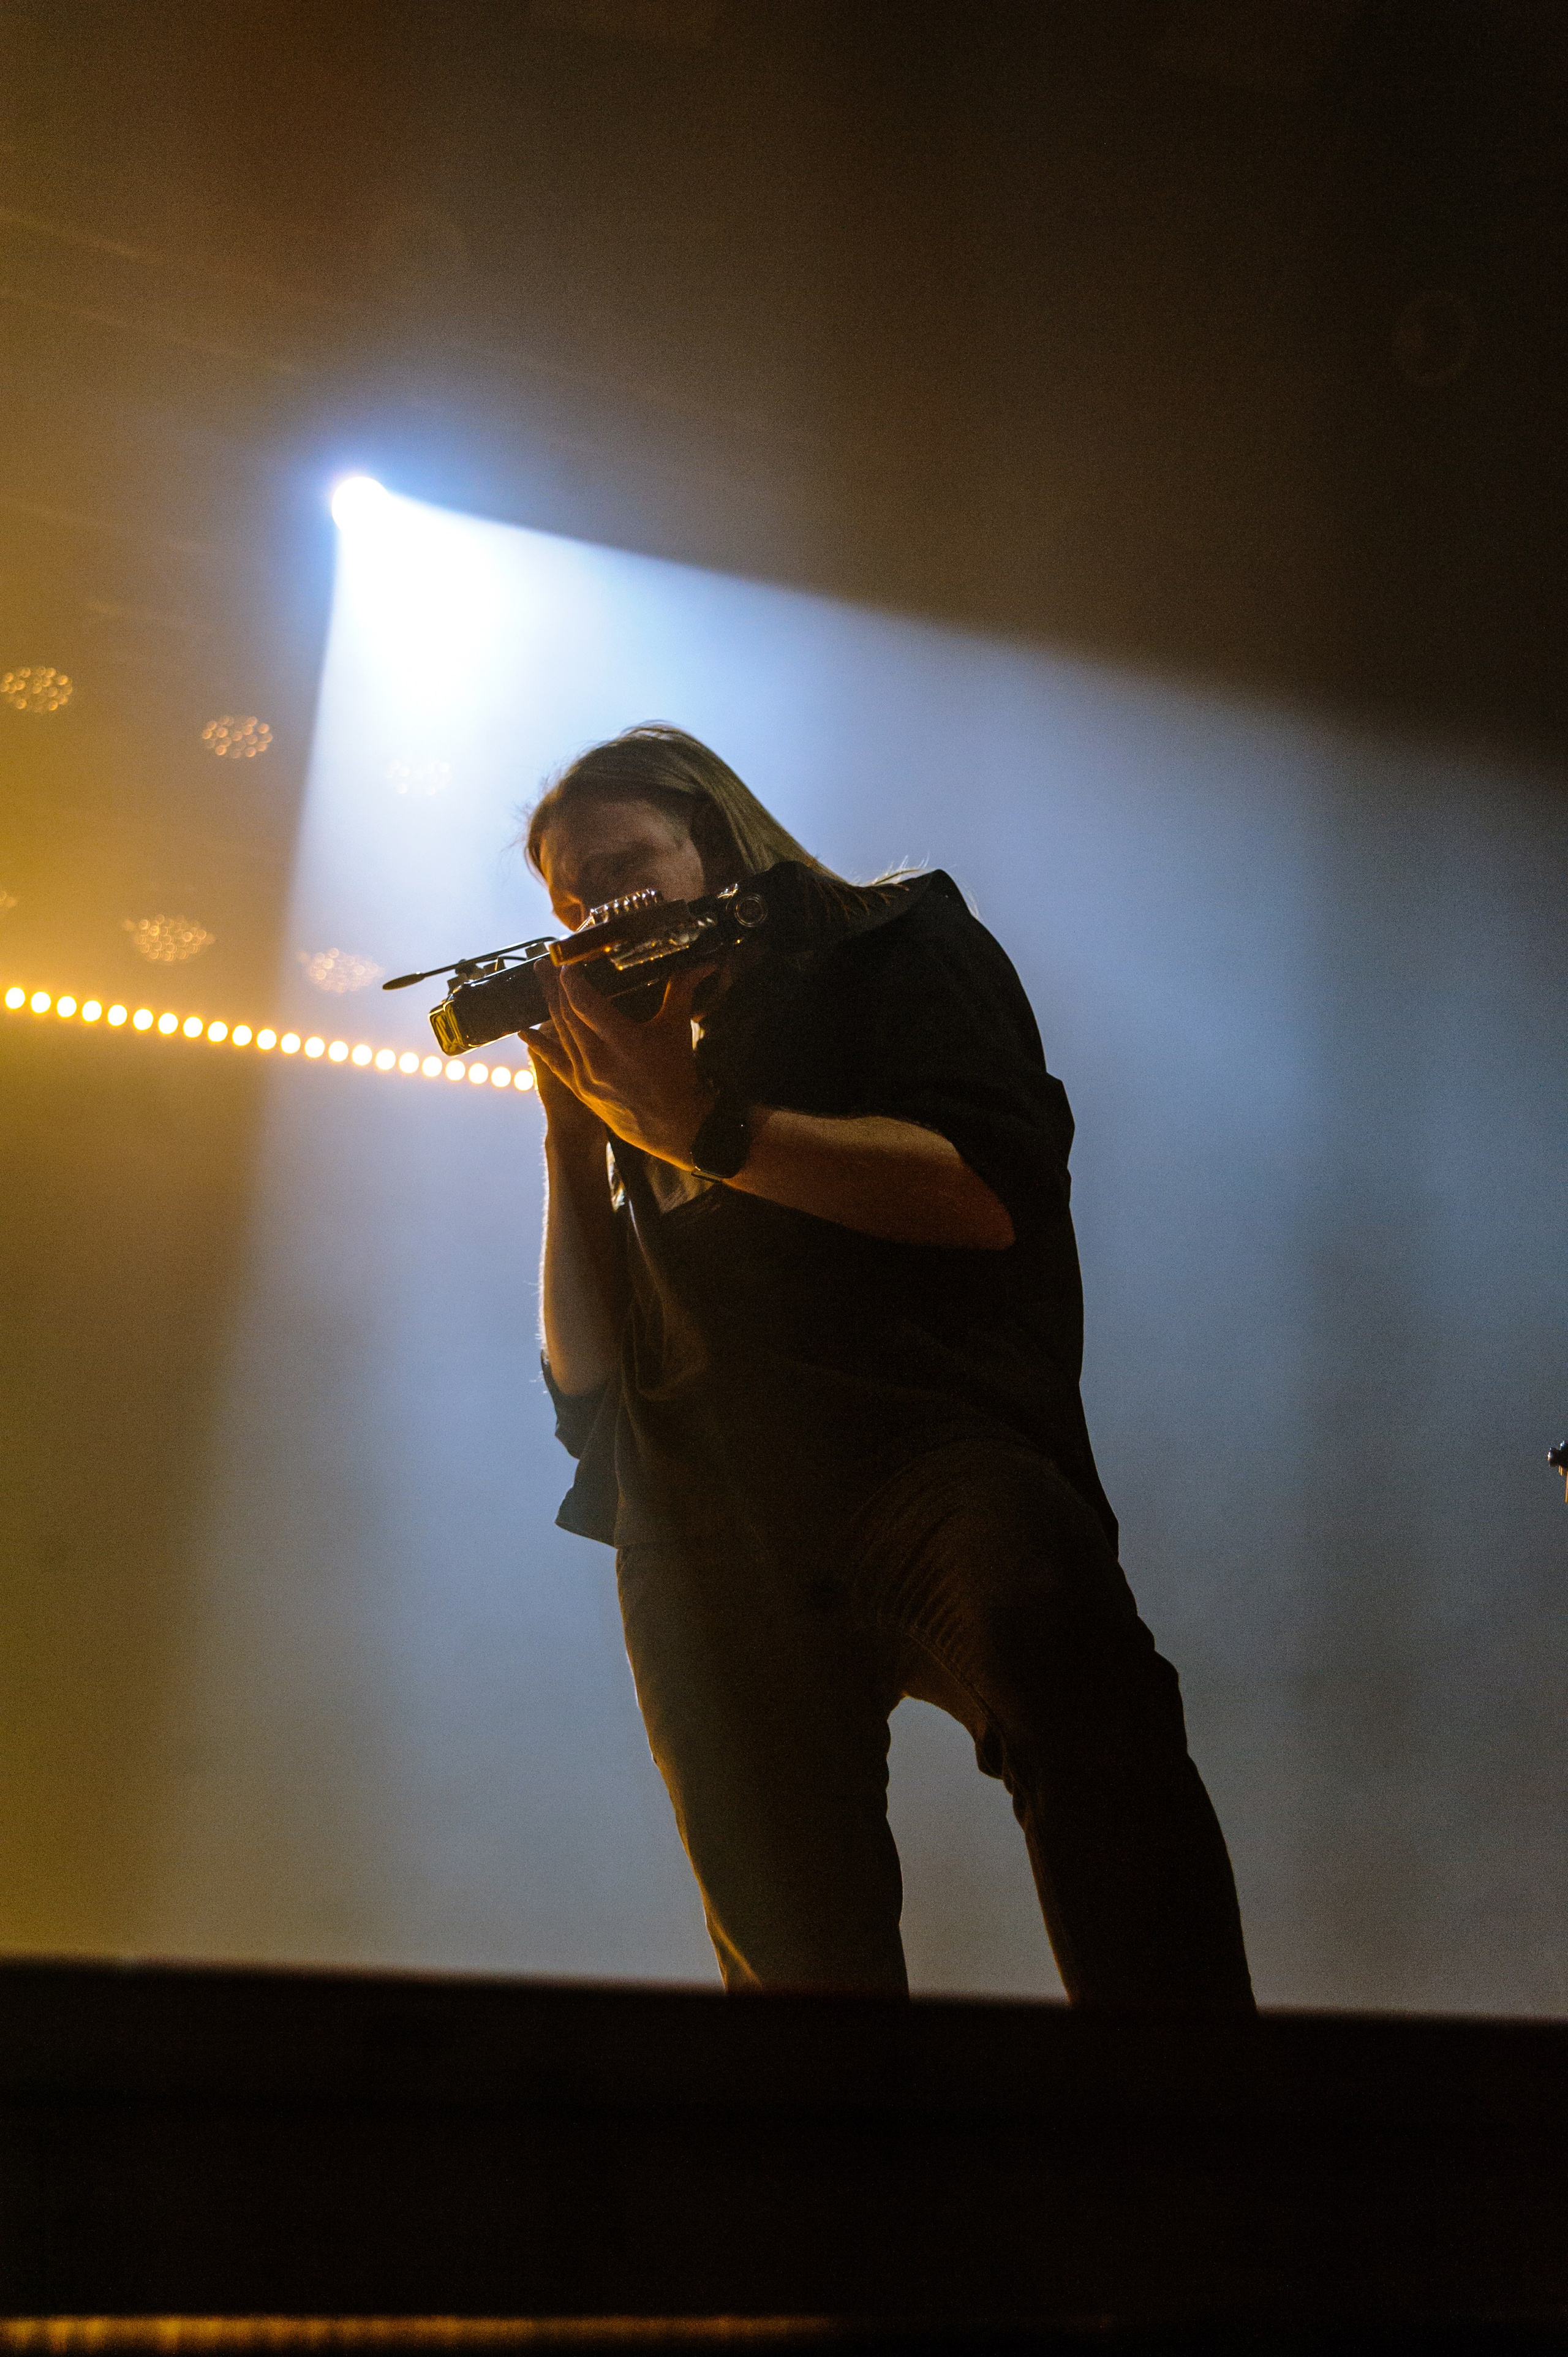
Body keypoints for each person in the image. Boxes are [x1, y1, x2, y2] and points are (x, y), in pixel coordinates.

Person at [523, 723, 1254, 2010]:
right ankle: (844, 2196)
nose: (600, 915)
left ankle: (1184, 2108)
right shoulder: (637, 1058)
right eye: (572, 900)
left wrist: (706, 1125)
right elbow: (584, 1382)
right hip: (705, 1515)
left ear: (715, 835)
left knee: (1075, 1688)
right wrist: (571, 1140)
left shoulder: (892, 944)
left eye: (627, 870)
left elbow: (987, 1190)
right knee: (786, 1932)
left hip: (920, 1447)